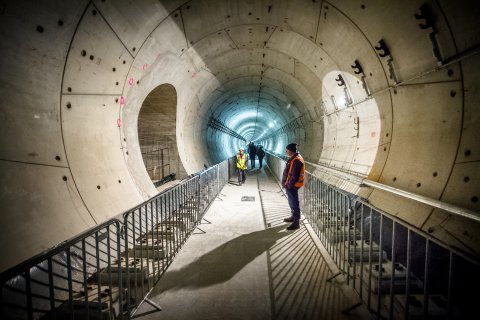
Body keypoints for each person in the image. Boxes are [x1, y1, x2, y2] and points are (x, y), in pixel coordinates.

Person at [282, 143, 305, 230]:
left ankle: (296, 223)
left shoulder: (297, 160)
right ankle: (293, 217)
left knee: (294, 203)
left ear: (291, 150)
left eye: (287, 150)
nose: (286, 151)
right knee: (292, 202)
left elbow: (294, 176)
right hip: (291, 185)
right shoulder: (294, 158)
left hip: (293, 186)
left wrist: (288, 185)